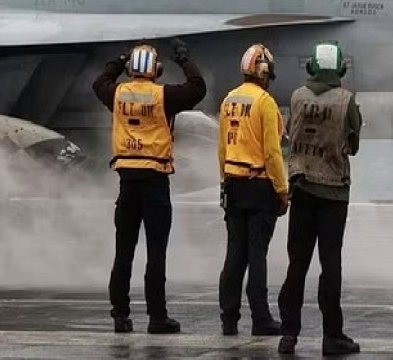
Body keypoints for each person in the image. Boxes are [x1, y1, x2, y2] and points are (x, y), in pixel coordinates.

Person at [92, 38, 206, 334]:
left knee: (123, 253)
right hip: (155, 183)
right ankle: (157, 317)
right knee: (156, 254)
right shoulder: (163, 96)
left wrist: (118, 59)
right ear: (156, 69)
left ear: (131, 68)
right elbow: (198, 88)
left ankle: (120, 315)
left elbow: (99, 82)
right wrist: (184, 59)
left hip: (126, 185)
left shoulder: (116, 94)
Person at [277, 41, 362, 356]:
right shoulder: (346, 100)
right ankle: (332, 336)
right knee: (330, 265)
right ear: (340, 68)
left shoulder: (297, 97)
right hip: (333, 194)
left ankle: (288, 334)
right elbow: (353, 146)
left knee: (297, 263)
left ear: (311, 66)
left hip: (301, 189)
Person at [218, 43, 289, 336]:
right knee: (257, 254)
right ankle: (261, 319)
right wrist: (282, 190)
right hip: (260, 186)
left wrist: (224, 182)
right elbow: (273, 152)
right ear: (264, 70)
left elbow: (222, 148)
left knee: (235, 255)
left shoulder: (228, 100)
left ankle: (229, 318)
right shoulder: (265, 102)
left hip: (233, 184)